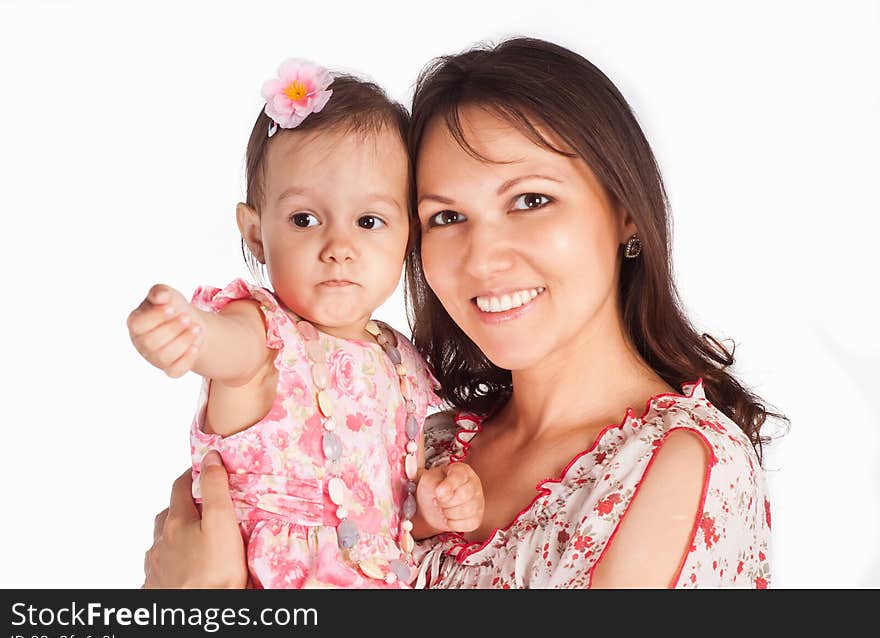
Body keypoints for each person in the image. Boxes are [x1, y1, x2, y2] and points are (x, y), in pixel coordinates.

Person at [144, 38, 787, 589]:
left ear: (624, 210)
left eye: (531, 199)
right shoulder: (434, 442)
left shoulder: (678, 459)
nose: (483, 257)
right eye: (446, 217)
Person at [131, 58, 484, 589]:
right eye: (304, 219)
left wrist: (432, 510)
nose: (339, 248)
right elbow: (230, 350)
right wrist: (189, 331)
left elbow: (389, 517)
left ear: (408, 236)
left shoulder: (403, 361)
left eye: (368, 222)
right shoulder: (264, 330)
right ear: (255, 233)